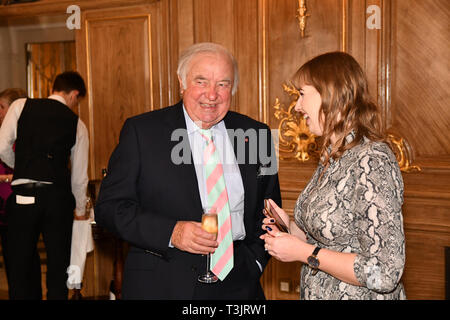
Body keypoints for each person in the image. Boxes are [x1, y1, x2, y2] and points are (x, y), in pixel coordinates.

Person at [95, 42, 281, 299]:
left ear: (233, 88)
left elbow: (270, 211)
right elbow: (109, 208)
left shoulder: (257, 134)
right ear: (182, 83)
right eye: (201, 81)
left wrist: (255, 262)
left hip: (239, 284)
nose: (212, 94)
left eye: (223, 84)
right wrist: (172, 232)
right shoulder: (142, 132)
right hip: (163, 282)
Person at [261, 52, 406, 300]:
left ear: (330, 94)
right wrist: (291, 230)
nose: (296, 106)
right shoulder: (334, 156)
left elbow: (384, 272)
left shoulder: (371, 160)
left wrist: (304, 253)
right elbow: (332, 239)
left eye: (302, 94)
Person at [0, 72, 89, 300]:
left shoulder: (21, 105)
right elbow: (79, 177)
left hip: (23, 198)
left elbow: (1, 146)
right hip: (57, 199)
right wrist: (80, 211)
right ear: (74, 95)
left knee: (19, 267)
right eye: (77, 101)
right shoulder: (77, 124)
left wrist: (21, 167)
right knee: (58, 266)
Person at [0, 88, 42, 299]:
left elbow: (25, 170)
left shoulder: (22, 134)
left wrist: (8, 177)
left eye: (2, 107)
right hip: (8, 204)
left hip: (16, 203)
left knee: (21, 260)